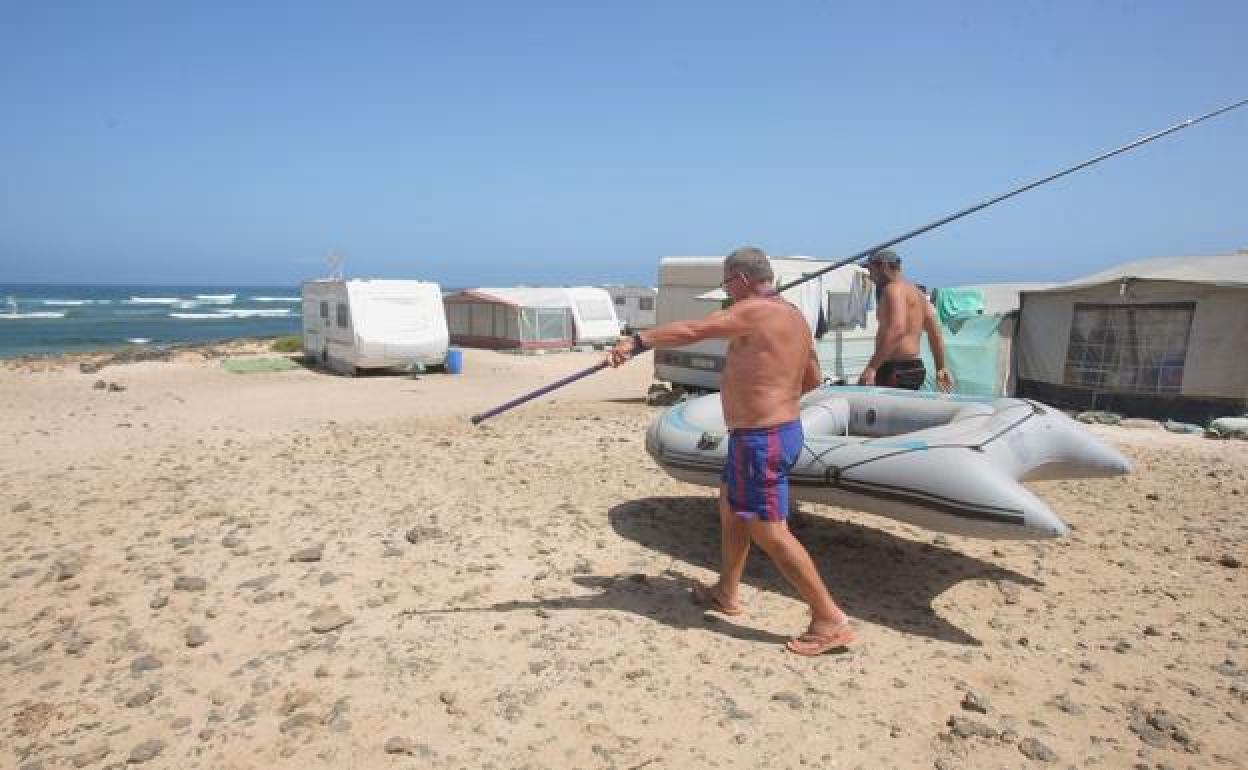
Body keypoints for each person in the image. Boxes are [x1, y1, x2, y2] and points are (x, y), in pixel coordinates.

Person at [607, 246, 854, 656]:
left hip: (764, 437)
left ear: (740, 279)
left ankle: (829, 619)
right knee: (731, 509)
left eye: (726, 284)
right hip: (762, 433)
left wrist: (638, 340)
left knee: (769, 529)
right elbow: (812, 377)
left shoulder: (754, 310)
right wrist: (772, 388)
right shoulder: (793, 316)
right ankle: (727, 591)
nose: (726, 292)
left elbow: (695, 330)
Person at [858, 249, 954, 392]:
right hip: (915, 369)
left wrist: (872, 368)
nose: (870, 276)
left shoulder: (892, 290)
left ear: (883, 266)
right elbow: (935, 332)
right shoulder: (918, 294)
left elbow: (897, 329)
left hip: (894, 370)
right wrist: (940, 367)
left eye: (871, 269)